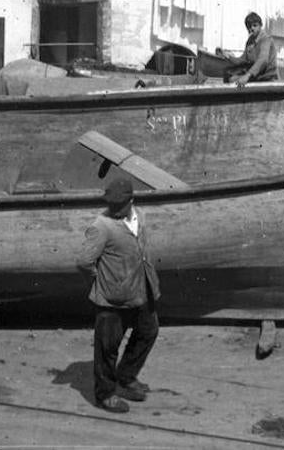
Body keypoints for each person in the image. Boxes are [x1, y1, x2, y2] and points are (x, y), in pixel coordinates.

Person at [76, 176, 161, 413]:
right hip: (112, 300)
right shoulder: (101, 226)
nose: (113, 208)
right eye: (110, 204)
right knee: (107, 347)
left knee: (148, 331)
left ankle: (126, 375)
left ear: (131, 201)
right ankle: (105, 395)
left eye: (119, 205)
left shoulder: (140, 217)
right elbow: (83, 261)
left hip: (142, 290)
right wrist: (103, 279)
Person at [223, 12, 277, 87]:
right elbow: (243, 60)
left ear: (260, 25)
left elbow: (263, 60)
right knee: (228, 75)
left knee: (234, 80)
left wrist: (247, 76)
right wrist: (228, 57)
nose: (252, 28)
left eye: (255, 25)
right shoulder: (250, 41)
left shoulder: (266, 39)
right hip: (256, 75)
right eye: (249, 26)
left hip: (267, 77)